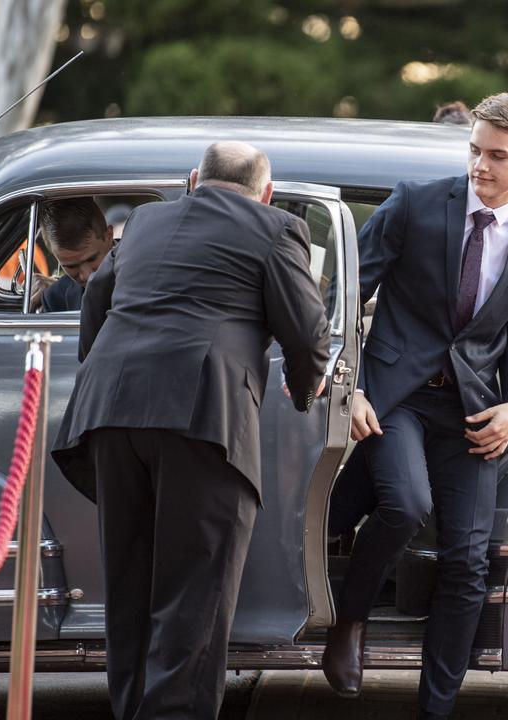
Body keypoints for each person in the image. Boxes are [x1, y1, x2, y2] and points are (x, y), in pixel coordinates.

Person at [50, 141, 331, 720]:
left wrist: (106, 373)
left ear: (194, 179)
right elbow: (307, 335)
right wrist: (306, 390)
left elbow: (95, 305)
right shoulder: (277, 227)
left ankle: (132, 711)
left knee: (129, 584)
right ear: (267, 191)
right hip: (204, 415)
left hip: (110, 408)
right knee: (195, 591)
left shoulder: (145, 222)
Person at [324, 92, 508, 719]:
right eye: (475, 151)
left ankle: (436, 709)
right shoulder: (415, 203)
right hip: (396, 396)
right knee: (405, 506)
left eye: (497, 156)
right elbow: (348, 298)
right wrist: (347, 387)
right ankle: (349, 621)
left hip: (475, 410)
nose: (480, 166)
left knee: (466, 560)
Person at [37, 197, 115, 312]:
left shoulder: (143, 268)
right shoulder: (55, 299)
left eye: (92, 259)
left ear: (109, 236)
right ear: (56, 257)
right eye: (71, 266)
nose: (87, 275)